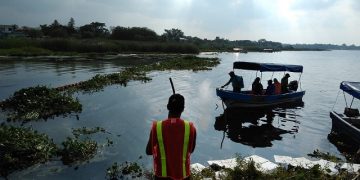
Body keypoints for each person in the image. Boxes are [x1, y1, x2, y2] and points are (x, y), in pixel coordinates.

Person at [146, 94, 196, 180]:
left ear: (168, 107)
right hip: (183, 175)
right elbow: (191, 150)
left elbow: (149, 151)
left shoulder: (156, 127)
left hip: (161, 175)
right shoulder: (190, 127)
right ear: (183, 109)